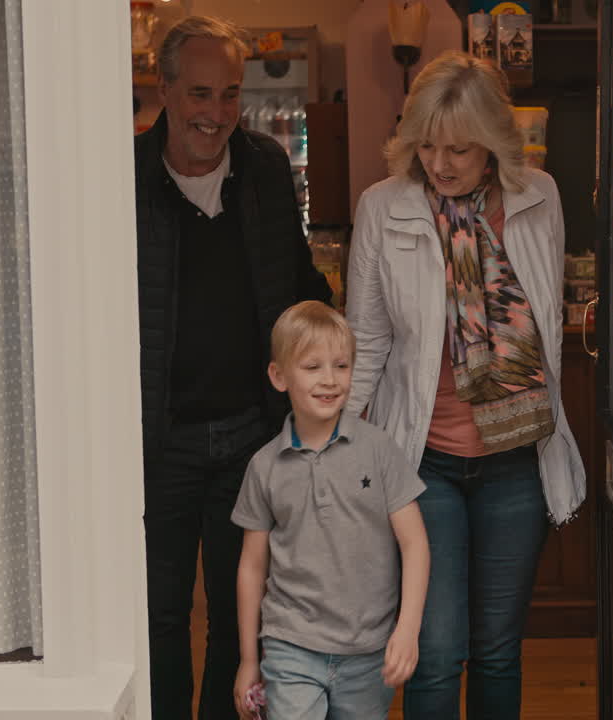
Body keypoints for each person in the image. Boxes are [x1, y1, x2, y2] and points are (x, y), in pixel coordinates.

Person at [344, 50, 586, 720]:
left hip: (517, 462)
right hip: (423, 467)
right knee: (434, 649)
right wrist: (338, 454)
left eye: (459, 149)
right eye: (427, 145)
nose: (441, 164)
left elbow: (551, 332)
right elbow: (365, 345)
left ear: (494, 145)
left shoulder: (540, 197)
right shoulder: (383, 208)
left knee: (499, 650)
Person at [134, 15, 333, 720]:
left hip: (249, 437)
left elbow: (296, 279)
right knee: (156, 618)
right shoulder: (126, 179)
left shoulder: (265, 169)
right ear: (165, 91)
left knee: (237, 616)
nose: (215, 115)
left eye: (229, 95)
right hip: (159, 442)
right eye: (199, 94)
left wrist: (331, 333)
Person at [231, 301, 430, 720]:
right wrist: (250, 658)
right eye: (312, 366)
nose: (329, 380)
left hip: (368, 652)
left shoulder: (379, 450)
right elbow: (252, 566)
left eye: (341, 366)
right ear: (279, 376)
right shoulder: (264, 466)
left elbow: (414, 544)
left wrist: (407, 629)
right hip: (291, 645)